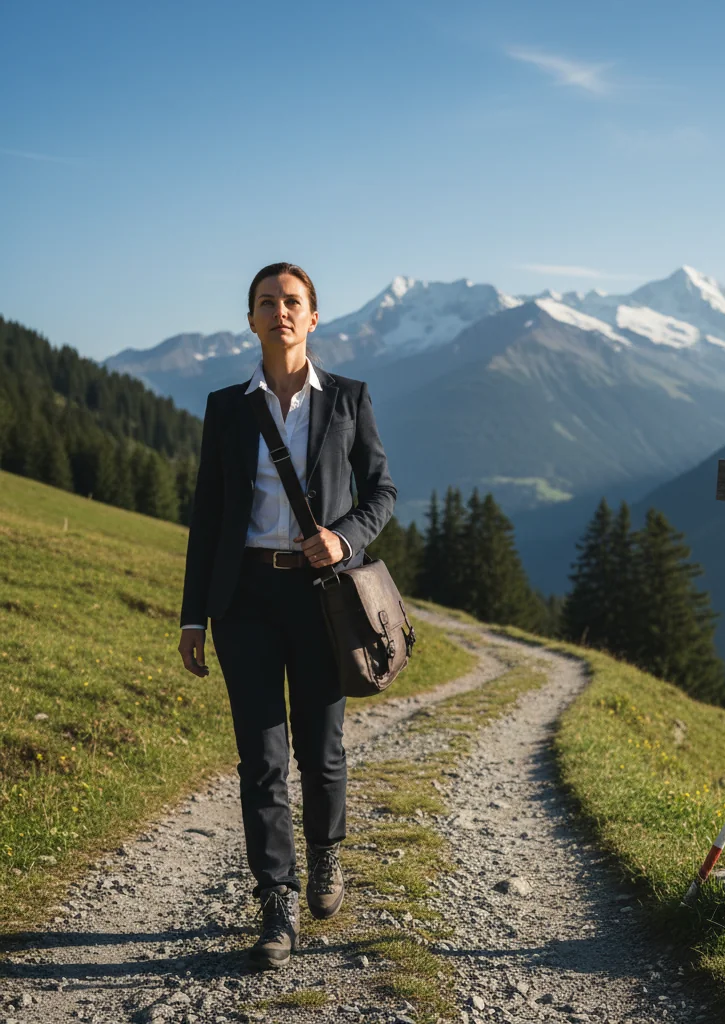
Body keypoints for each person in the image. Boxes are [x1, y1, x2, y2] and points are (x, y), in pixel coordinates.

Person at [178, 262, 396, 969]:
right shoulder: (226, 406)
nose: (280, 312)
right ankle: (277, 901)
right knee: (261, 761)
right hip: (243, 599)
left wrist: (345, 536)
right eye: (267, 302)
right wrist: (192, 616)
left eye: (292, 302)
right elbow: (208, 516)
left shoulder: (349, 400)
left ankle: (328, 854)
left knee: (321, 748)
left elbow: (383, 490)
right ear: (250, 319)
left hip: (320, 598)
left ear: (313, 316)